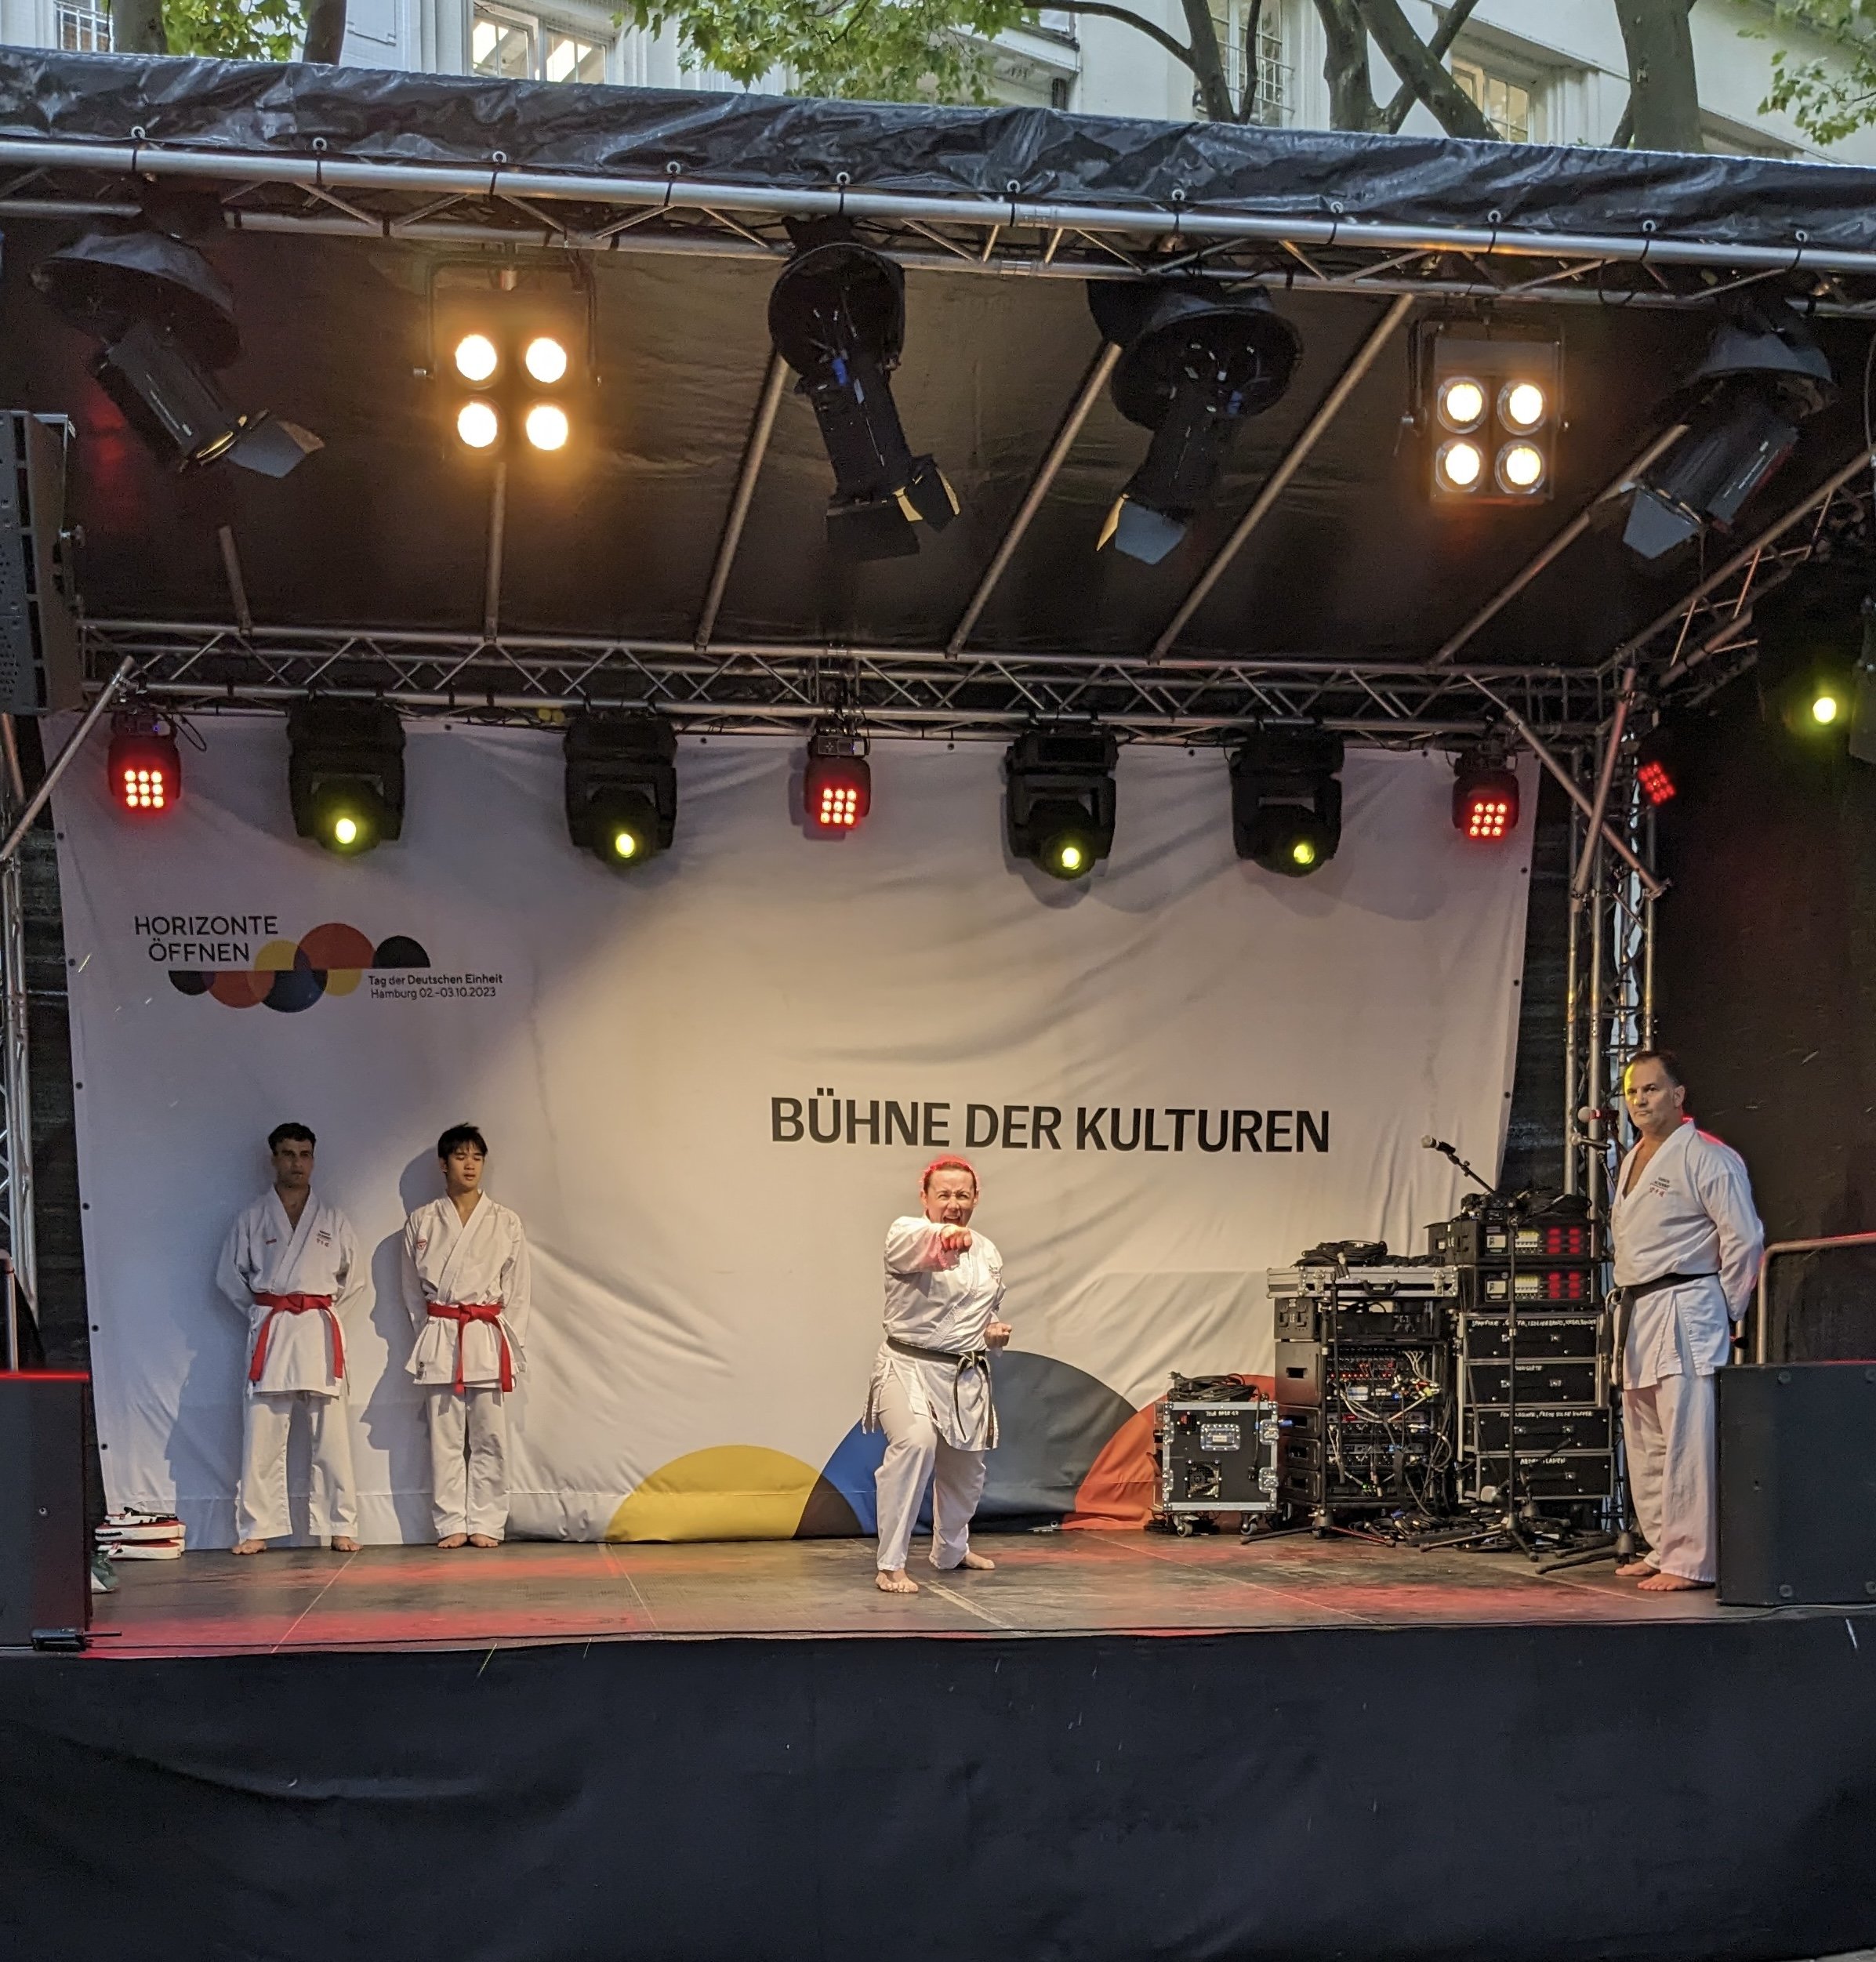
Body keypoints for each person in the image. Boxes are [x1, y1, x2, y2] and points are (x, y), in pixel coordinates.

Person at [1610, 1050, 1764, 1593]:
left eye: (1650, 1089)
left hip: (1688, 1303)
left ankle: (1694, 1559)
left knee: (1686, 1435)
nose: (1639, 1100)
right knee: (1646, 1435)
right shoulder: (1631, 1159)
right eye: (1632, 1091)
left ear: (1678, 1095)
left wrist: (1725, 1308)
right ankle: (1662, 1545)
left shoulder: (1707, 1157)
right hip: (1639, 1306)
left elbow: (1743, 1238)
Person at [863, 1156, 1013, 1595]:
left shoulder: (988, 1251)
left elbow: (979, 1313)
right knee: (916, 1443)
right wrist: (946, 1236)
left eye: (962, 1195)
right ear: (925, 1197)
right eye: (943, 1194)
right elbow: (923, 1245)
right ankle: (890, 1564)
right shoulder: (906, 1233)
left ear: (976, 1198)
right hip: (906, 1365)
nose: (953, 1203)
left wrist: (993, 1333)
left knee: (967, 1470)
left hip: (962, 1374)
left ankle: (950, 1550)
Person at [216, 1122, 364, 1555]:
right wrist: (263, 1311)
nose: (296, 1163)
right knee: (262, 1433)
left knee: (332, 1438)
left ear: (313, 1160)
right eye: (287, 1154)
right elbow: (228, 1277)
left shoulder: (333, 1219)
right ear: (274, 1159)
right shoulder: (252, 1218)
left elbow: (355, 1281)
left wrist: (326, 1314)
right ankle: (256, 1527)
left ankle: (341, 1524)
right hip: (275, 1329)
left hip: (319, 1331)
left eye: (303, 1154)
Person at [402, 1124, 532, 1549]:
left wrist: (509, 1341)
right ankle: (450, 1522)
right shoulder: (422, 1221)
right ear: (444, 1164)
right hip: (441, 1334)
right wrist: (431, 1335)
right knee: (444, 1439)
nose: (470, 1164)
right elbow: (411, 1293)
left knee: (490, 1437)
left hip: (486, 1335)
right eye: (461, 1156)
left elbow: (517, 1291)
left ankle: (489, 1522)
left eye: (477, 1157)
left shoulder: (505, 1221)